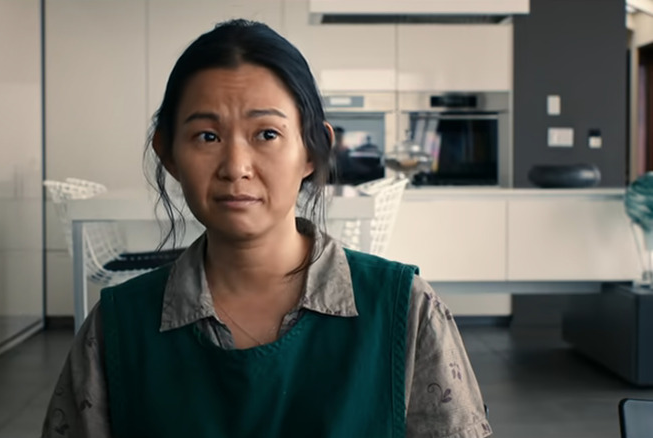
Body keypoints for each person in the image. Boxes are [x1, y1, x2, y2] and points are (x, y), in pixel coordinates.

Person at [42, 19, 491, 438]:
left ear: (313, 151)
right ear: (169, 154)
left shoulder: (406, 312)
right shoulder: (116, 330)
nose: (236, 167)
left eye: (267, 134)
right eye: (207, 137)